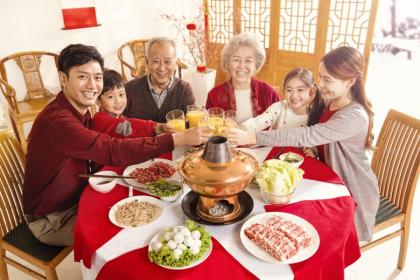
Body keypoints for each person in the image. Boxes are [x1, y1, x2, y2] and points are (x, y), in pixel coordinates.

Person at [23, 44, 210, 246]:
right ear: (63, 79)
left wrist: (157, 128)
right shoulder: (59, 121)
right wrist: (177, 139)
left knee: (143, 207)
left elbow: (124, 127)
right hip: (53, 219)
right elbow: (112, 148)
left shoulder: (81, 112)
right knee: (136, 228)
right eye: (82, 76)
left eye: (97, 77)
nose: (92, 85)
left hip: (75, 197)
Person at [228, 46, 379, 241]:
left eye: (328, 80)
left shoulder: (354, 116)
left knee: (309, 230)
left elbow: (308, 134)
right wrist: (317, 148)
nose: (321, 85)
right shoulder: (330, 101)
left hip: (352, 189)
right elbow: (324, 136)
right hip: (328, 179)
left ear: (350, 81)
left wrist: (254, 137)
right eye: (320, 77)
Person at [205, 33, 279, 123]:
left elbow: (280, 130)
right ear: (227, 62)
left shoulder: (269, 93)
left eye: (248, 60)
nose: (241, 66)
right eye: (236, 59)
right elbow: (210, 132)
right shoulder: (214, 96)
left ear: (256, 64)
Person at [124, 37, 195, 123]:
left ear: (176, 63)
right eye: (156, 61)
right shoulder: (129, 89)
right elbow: (121, 125)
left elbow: (191, 125)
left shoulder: (184, 89)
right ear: (147, 62)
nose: (161, 68)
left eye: (167, 62)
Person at [93, 69, 174, 138]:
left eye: (121, 94)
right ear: (98, 101)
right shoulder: (99, 119)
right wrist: (156, 127)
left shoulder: (118, 117)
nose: (118, 101)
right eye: (110, 97)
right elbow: (127, 126)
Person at [241, 67, 324, 130]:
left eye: (300, 90)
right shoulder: (278, 108)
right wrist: (242, 128)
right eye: (289, 90)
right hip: (274, 151)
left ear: (312, 91)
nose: (294, 95)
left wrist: (312, 149)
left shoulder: (318, 113)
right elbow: (257, 122)